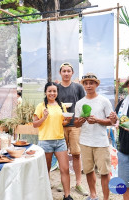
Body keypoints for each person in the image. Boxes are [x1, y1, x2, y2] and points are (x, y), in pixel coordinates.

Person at [74, 73, 113, 200]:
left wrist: (97, 120)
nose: (89, 85)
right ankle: (93, 195)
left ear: (96, 84)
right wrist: (80, 121)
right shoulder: (80, 103)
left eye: (91, 83)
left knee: (104, 172)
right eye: (86, 83)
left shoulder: (104, 101)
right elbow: (76, 123)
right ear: (83, 85)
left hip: (101, 142)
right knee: (88, 170)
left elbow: (112, 121)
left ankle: (105, 198)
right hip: (85, 142)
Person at [33, 82, 73, 200]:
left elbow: (62, 123)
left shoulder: (61, 106)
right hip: (45, 141)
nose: (52, 93)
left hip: (60, 141)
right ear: (46, 92)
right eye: (50, 91)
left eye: (54, 91)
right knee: (46, 170)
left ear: (57, 92)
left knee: (65, 169)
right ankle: (44, 195)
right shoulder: (41, 106)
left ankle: (67, 195)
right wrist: (44, 117)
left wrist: (67, 120)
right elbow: (35, 124)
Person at [56, 62, 87, 195]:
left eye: (69, 71)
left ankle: (79, 183)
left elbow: (83, 104)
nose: (66, 73)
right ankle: (64, 181)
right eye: (64, 71)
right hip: (60, 125)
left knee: (76, 154)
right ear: (60, 73)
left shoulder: (78, 87)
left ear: (72, 73)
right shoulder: (56, 88)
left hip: (75, 125)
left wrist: (81, 119)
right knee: (62, 155)